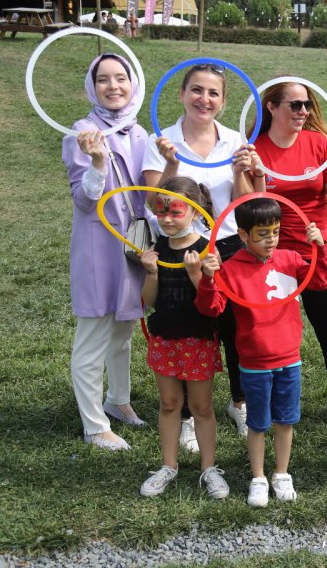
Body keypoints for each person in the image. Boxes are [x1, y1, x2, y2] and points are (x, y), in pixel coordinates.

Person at [143, 64, 263, 451]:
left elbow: (246, 203)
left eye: (213, 93)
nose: (204, 99)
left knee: (236, 329)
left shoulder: (234, 141)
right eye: (196, 90)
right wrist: (171, 162)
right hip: (180, 248)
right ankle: (188, 416)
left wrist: (241, 170)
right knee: (188, 329)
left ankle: (239, 402)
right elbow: (154, 200)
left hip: (227, 247)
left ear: (223, 101)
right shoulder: (161, 141)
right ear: (181, 94)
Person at [195, 197, 327, 507]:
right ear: (243, 234)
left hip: (289, 357)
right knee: (257, 423)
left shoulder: (290, 259)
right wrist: (208, 278)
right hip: (254, 361)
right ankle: (258, 477)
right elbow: (211, 308)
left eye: (276, 232)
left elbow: (321, 281)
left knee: (286, 420)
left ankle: (281, 473)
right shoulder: (231, 269)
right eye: (262, 234)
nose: (271, 239)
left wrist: (320, 248)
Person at [249, 81, 327, 428]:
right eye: (295, 105)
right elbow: (253, 204)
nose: (303, 111)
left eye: (307, 105)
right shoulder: (255, 148)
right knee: (269, 331)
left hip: (317, 251)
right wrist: (255, 173)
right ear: (271, 107)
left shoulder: (319, 144)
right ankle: (267, 396)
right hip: (273, 255)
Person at [62, 53, 149, 451]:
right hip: (99, 247)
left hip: (134, 243)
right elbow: (84, 200)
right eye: (103, 80)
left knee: (123, 329)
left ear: (133, 84)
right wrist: (97, 162)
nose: (113, 86)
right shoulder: (81, 133)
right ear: (92, 86)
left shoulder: (139, 133)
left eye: (121, 78)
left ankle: (118, 400)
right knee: (94, 334)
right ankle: (94, 426)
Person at [137, 176, 228, 499]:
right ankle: (168, 465)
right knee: (169, 403)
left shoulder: (207, 250)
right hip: (165, 337)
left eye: (175, 212)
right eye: (161, 212)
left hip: (197, 338)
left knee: (201, 406)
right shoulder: (157, 250)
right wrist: (151, 273)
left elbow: (212, 307)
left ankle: (209, 468)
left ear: (194, 211)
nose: (166, 219)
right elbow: (149, 301)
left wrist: (196, 273)